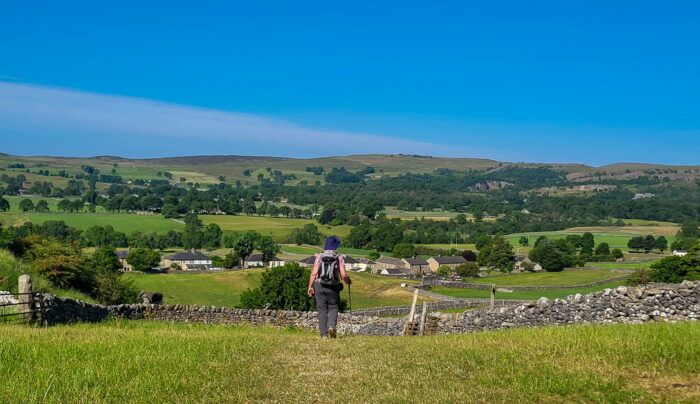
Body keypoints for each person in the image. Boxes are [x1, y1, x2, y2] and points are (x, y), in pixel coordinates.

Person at [308, 236, 351, 338]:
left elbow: (314, 273)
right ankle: (331, 326)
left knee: (322, 309)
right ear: (335, 246)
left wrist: (310, 286)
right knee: (333, 307)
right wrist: (347, 282)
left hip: (319, 285)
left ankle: (323, 334)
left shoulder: (320, 256)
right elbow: (344, 275)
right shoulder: (338, 257)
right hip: (334, 286)